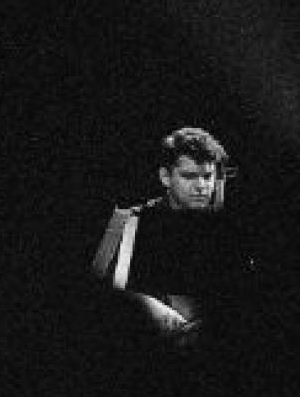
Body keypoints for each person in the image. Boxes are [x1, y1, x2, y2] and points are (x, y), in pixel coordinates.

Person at [90, 126, 253, 346]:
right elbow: (93, 296)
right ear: (165, 177)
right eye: (189, 176)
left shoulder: (230, 230)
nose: (201, 186)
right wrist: (143, 306)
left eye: (208, 176)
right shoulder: (127, 223)